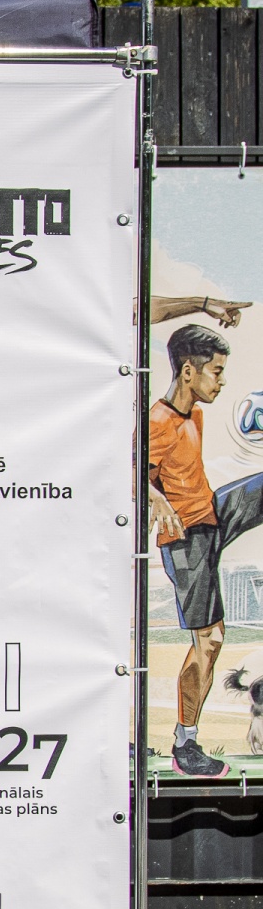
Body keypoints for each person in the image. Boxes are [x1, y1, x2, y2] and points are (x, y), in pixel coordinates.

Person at [150, 324, 263, 778]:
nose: (221, 381)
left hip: (210, 516)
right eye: (216, 372)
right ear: (188, 371)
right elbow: (129, 472)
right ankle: (185, 744)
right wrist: (156, 498)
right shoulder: (158, 422)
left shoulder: (193, 414)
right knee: (210, 641)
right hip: (186, 539)